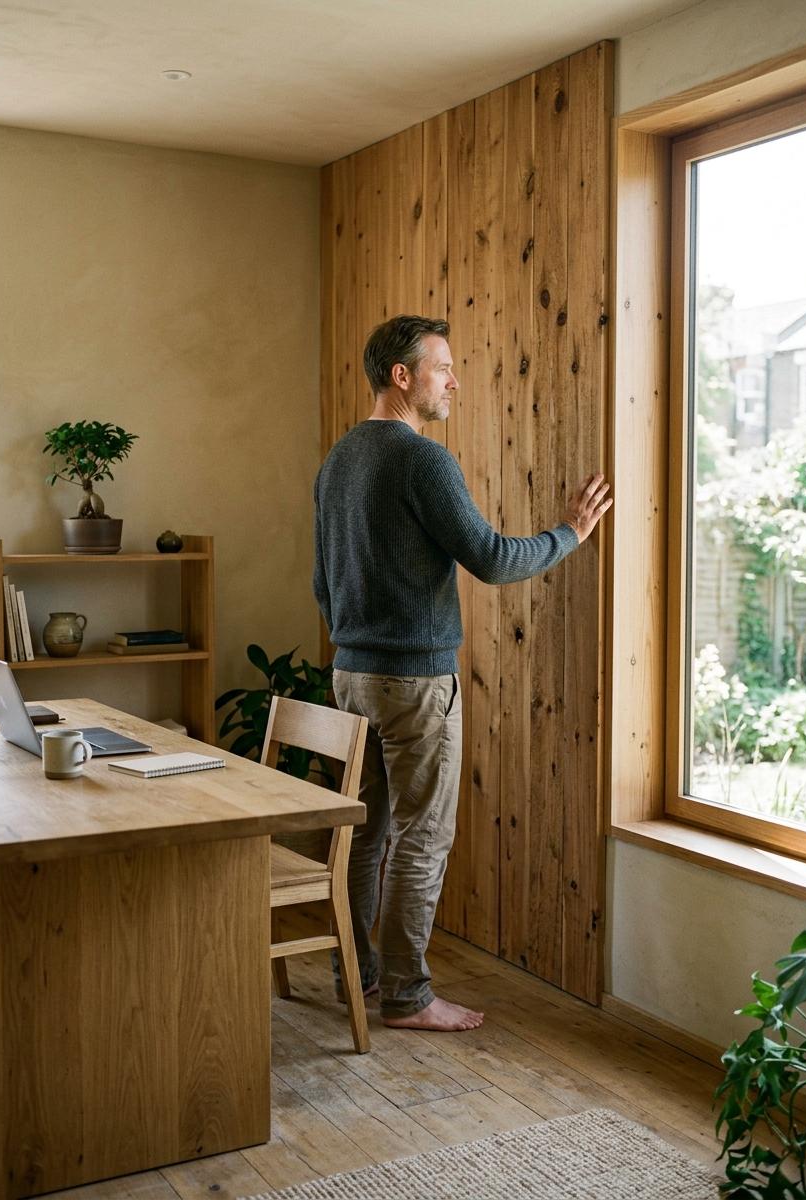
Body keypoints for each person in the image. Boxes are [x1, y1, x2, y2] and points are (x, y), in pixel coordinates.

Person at [313, 314, 611, 1032]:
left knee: (367, 832)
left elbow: (322, 582)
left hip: (350, 673)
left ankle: (355, 973)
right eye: (443, 368)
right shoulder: (423, 460)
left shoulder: (340, 460)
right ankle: (408, 997)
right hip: (414, 683)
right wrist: (570, 533)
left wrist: (356, 642)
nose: (455, 380)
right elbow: (492, 558)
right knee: (421, 836)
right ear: (402, 377)